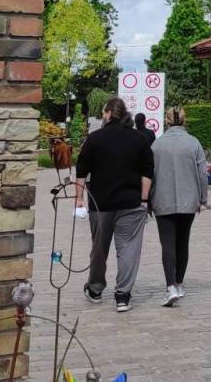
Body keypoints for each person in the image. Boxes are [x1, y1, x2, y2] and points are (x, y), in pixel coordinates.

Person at [75, 97, 154, 313]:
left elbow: (81, 171)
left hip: (101, 203)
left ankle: (95, 289)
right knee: (128, 249)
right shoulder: (139, 139)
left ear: (109, 113)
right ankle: (123, 295)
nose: (102, 116)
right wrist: (144, 199)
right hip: (132, 203)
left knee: (99, 249)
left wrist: (78, 199)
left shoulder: (95, 139)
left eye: (103, 112)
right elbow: (147, 172)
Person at [148, 106, 209, 307]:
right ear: (184, 120)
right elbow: (202, 174)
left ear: (166, 121)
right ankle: (180, 283)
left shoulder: (157, 144)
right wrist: (203, 199)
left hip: (162, 199)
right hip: (188, 200)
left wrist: (147, 199)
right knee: (183, 242)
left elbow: (149, 174)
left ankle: (170, 287)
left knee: (167, 244)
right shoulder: (194, 143)